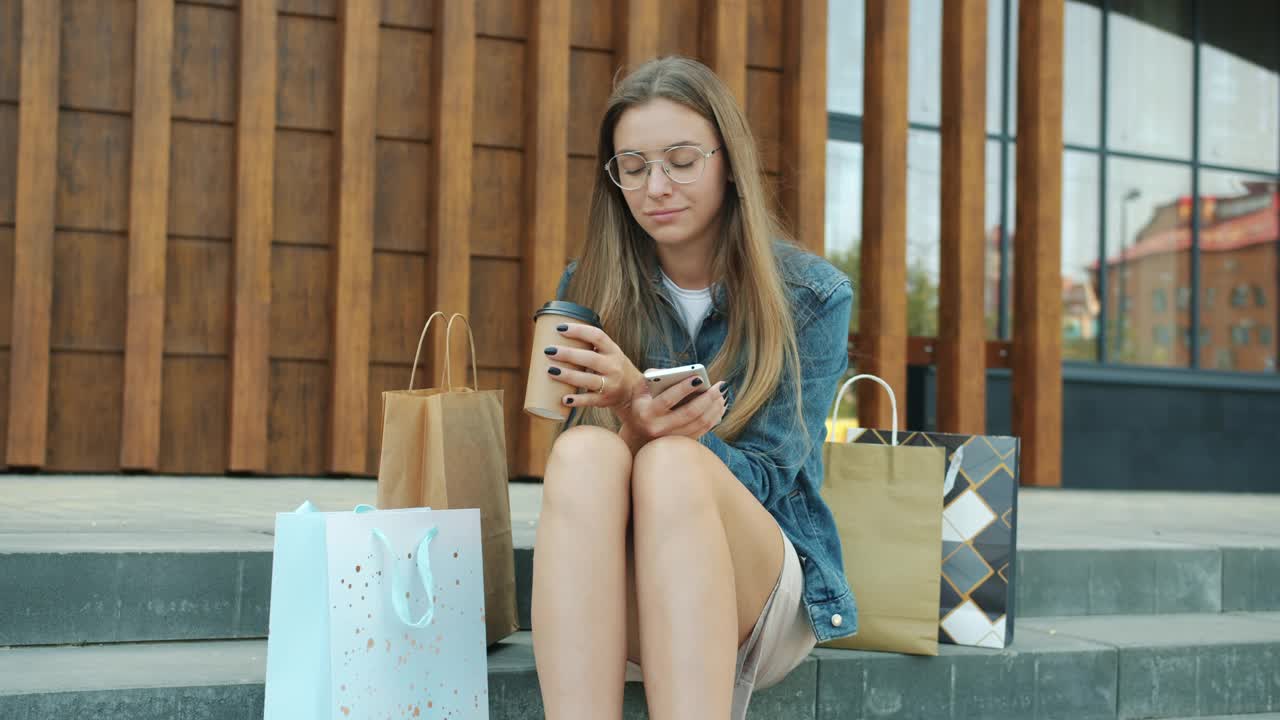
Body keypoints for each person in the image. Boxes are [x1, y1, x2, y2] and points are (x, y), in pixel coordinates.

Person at [531, 56, 856, 720]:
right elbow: (591, 487)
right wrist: (629, 413)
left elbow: (769, 480)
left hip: (757, 590)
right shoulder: (587, 285)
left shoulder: (811, 297)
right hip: (623, 588)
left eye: (682, 160)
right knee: (583, 455)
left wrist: (668, 422)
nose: (657, 186)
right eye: (634, 166)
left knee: (676, 463)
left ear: (728, 161)